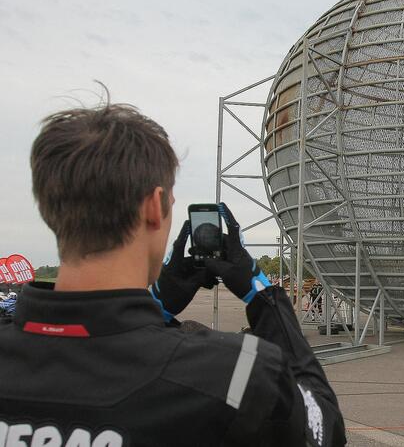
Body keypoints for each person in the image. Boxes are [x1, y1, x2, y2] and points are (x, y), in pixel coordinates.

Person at [0, 101, 346, 446]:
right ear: (155, 207)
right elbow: (324, 427)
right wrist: (262, 294)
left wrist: (157, 306)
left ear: (49, 209)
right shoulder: (234, 376)